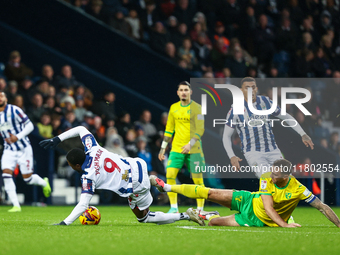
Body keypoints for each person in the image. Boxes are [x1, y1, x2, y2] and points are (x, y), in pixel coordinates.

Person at [39, 126, 202, 225]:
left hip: (136, 184)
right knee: (139, 183)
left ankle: (185, 215)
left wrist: (64, 223)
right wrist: (57, 139)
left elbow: (83, 205)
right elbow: (81, 129)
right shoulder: (92, 147)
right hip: (137, 164)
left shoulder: (88, 176)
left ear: (76, 165)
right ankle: (152, 180)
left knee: (144, 218)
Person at [150, 159, 340, 228]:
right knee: (209, 192)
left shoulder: (298, 188)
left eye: (276, 174)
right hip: (250, 200)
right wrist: (284, 224)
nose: (271, 175)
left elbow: (322, 207)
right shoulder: (266, 177)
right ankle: (166, 186)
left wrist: (339, 224)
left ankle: (207, 215)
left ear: (287, 176)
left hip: (256, 219)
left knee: (214, 223)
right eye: (272, 171)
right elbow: (267, 204)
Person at [223, 77, 314, 178]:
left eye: (253, 87)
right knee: (268, 180)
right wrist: (232, 156)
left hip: (273, 150)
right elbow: (226, 136)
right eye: (247, 88)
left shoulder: (265, 102)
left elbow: (286, 116)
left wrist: (303, 133)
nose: (250, 90)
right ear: (241, 90)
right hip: (253, 153)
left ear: (256, 89)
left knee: (287, 179)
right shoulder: (236, 109)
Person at [158, 81, 206, 213]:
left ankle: (200, 209)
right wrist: (163, 148)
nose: (184, 92)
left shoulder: (198, 108)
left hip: (194, 149)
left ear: (190, 92)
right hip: (177, 148)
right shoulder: (173, 108)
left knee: (198, 180)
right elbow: (169, 129)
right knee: (170, 175)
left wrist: (190, 144)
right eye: (181, 90)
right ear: (178, 93)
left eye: (186, 90)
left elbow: (200, 129)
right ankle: (174, 207)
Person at [0, 92, 51, 212]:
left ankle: (44, 183)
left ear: (6, 99)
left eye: (1, 95)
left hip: (24, 148)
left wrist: (17, 137)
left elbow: (30, 127)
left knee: (27, 179)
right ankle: (16, 205)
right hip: (9, 149)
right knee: (6, 175)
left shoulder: (15, 110)